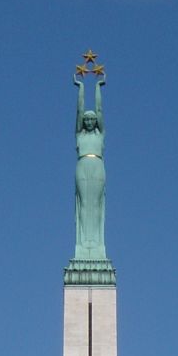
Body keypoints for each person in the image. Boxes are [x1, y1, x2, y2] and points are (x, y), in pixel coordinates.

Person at [73, 75, 106, 259]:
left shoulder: (100, 135)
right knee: (84, 204)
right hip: (83, 165)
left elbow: (100, 109)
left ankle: (98, 244)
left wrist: (98, 87)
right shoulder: (80, 135)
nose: (89, 121)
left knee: (97, 205)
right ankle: (84, 244)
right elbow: (79, 111)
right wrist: (81, 88)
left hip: (97, 166)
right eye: (87, 119)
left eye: (92, 119)